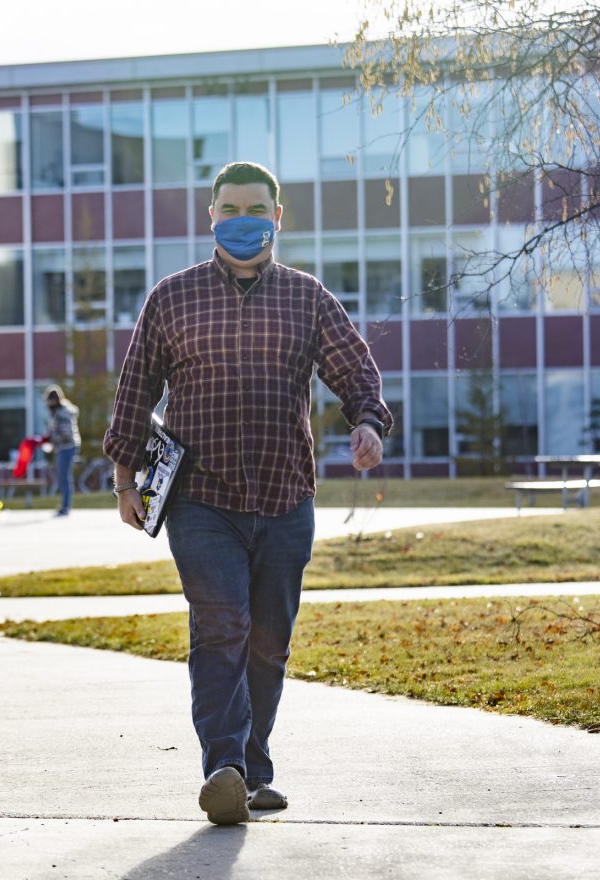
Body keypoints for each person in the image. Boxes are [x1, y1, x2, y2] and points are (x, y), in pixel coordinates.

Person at [103, 161, 391, 825]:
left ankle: (254, 769)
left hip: (287, 498)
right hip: (201, 502)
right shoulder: (172, 298)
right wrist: (124, 479)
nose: (241, 219)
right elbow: (134, 390)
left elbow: (354, 371)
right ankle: (224, 768)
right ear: (210, 216)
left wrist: (368, 425)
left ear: (278, 215)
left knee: (268, 640)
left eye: (254, 207)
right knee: (220, 627)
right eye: (228, 208)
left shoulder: (307, 297)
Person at [43, 385, 81, 516]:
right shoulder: (58, 412)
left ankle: (65, 507)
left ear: (54, 400)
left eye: (49, 400)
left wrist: (53, 440)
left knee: (64, 477)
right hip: (64, 447)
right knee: (63, 477)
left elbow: (66, 434)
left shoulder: (62, 412)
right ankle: (64, 506)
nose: (48, 403)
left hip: (67, 447)